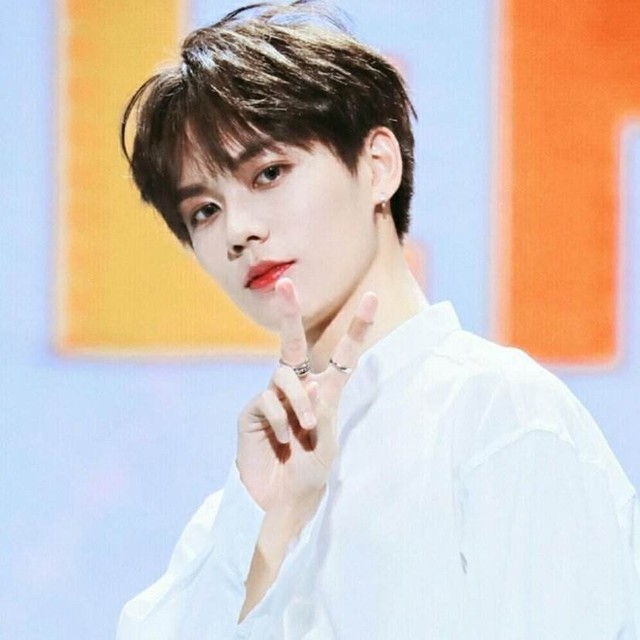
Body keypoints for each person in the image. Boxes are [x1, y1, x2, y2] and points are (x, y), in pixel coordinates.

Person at [116, 2, 640, 638]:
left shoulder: (496, 412)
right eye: (204, 210)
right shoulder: (247, 499)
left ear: (377, 167)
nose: (238, 230)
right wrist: (269, 530)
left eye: (269, 173)